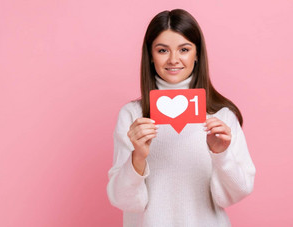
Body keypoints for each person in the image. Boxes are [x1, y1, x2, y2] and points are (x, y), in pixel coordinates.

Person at [107, 9, 256, 227]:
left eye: (184, 49)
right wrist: (137, 157)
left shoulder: (221, 117)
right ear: (150, 55)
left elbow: (234, 194)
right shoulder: (132, 116)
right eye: (162, 50)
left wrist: (221, 155)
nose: (174, 60)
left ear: (197, 54)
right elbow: (124, 201)